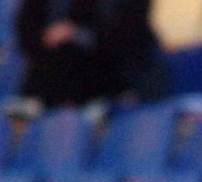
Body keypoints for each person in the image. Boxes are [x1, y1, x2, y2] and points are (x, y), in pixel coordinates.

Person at [16, 0, 170, 109]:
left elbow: (123, 40)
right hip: (59, 76)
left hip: (122, 76)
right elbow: (27, 31)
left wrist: (74, 34)